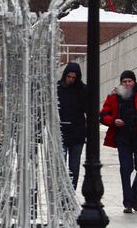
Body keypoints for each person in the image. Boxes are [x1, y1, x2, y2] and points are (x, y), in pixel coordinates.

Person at [100, 70, 137, 213]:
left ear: (134, 81)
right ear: (121, 82)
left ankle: (134, 196)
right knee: (125, 169)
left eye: (129, 81)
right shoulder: (114, 96)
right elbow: (103, 115)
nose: (127, 84)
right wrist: (114, 121)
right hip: (123, 138)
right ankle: (128, 202)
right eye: (124, 82)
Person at [57, 62, 87, 191]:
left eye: (74, 78)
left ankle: (71, 192)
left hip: (77, 132)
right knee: (61, 166)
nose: (71, 80)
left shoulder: (83, 89)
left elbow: (88, 108)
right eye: (69, 77)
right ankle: (62, 192)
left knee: (74, 166)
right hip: (61, 131)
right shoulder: (57, 88)